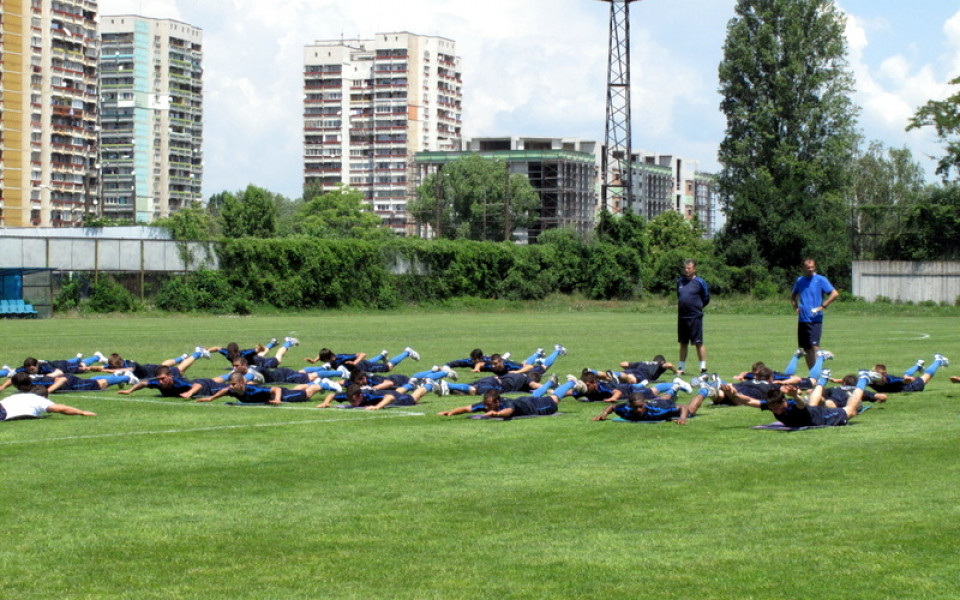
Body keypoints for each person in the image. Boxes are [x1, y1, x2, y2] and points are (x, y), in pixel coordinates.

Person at [733, 375, 869, 428]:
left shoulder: (792, 406)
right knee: (816, 402)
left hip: (820, 417)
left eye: (776, 408)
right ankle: (823, 379)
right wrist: (734, 394)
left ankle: (863, 379)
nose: (774, 411)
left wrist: (795, 396)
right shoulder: (773, 404)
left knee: (851, 410)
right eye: (772, 409)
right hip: (811, 411)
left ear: (783, 402)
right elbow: (751, 401)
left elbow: (801, 404)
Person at [437, 376, 577, 418]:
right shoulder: (486, 404)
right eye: (486, 404)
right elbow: (467, 408)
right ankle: (550, 383)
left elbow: (508, 412)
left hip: (537, 408)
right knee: (535, 394)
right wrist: (451, 412)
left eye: (489, 405)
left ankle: (572, 382)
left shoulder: (506, 405)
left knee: (554, 399)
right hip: (525, 400)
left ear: (497, 402)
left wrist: (496, 413)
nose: (486, 407)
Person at [790, 258, 840, 369]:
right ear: (803, 268)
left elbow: (834, 293)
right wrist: (795, 307)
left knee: (815, 347)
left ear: (815, 267)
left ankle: (819, 372)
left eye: (812, 267)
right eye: (808, 268)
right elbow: (793, 295)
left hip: (815, 319)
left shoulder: (820, 280)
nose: (810, 269)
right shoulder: (800, 280)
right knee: (806, 349)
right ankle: (813, 375)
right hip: (803, 319)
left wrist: (823, 306)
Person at [591, 388, 705, 425]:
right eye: (635, 407)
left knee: (691, 410)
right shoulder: (626, 408)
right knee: (663, 399)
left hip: (664, 405)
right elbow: (612, 406)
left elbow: (682, 407)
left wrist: (682, 418)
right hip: (661, 401)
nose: (639, 410)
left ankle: (704, 391)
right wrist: (604, 414)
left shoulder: (658, 411)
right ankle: (673, 389)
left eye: (641, 406)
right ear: (630, 405)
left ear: (644, 403)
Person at [677, 259, 709, 375]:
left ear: (694, 269)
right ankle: (681, 368)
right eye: (685, 268)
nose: (687, 270)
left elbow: (706, 298)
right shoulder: (680, 282)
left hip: (695, 316)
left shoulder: (700, 282)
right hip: (682, 317)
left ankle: (703, 368)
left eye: (689, 268)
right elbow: (679, 295)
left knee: (698, 342)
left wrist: (698, 307)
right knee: (683, 342)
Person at [863, 354, 948, 393]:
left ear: (885, 375)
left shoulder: (890, 380)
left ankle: (939, 360)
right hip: (901, 384)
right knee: (906, 375)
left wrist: (907, 380)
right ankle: (918, 366)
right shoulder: (871, 379)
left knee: (926, 376)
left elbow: (906, 380)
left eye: (882, 375)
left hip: (911, 387)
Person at [1, 390, 95, 420]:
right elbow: (60, 408)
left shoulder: (18, 396)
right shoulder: (40, 400)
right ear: (44, 396)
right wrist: (82, 412)